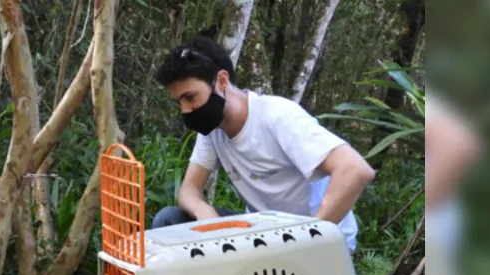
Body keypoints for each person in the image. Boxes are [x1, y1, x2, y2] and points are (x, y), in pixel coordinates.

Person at [151, 35, 376, 251]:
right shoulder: (213, 129)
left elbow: (355, 170)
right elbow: (189, 190)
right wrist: (205, 214)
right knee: (170, 220)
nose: (185, 110)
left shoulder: (277, 116)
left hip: (317, 238)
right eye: (178, 102)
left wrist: (310, 238)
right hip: (266, 233)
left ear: (221, 80)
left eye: (190, 98)